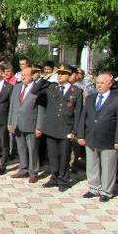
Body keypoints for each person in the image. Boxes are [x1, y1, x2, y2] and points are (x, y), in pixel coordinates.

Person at [32, 64, 83, 192]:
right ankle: (54, 177)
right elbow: (34, 90)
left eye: (63, 73)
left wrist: (75, 131)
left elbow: (79, 114)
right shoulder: (52, 87)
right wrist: (46, 76)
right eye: (58, 73)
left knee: (64, 156)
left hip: (66, 129)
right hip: (51, 128)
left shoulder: (76, 91)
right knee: (53, 156)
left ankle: (63, 180)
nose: (60, 75)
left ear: (69, 75)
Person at [77, 72, 118, 202]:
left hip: (109, 139)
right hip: (91, 137)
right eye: (97, 83)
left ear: (110, 84)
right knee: (92, 165)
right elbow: (83, 117)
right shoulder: (91, 98)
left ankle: (106, 191)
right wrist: (81, 135)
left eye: (102, 83)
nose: (99, 85)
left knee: (108, 166)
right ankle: (94, 188)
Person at [8, 67, 44, 183]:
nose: (23, 77)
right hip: (17, 124)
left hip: (31, 124)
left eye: (26, 75)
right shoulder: (17, 87)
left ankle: (33, 172)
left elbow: (41, 109)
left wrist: (39, 127)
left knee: (32, 149)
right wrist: (10, 122)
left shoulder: (37, 88)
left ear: (32, 76)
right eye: (22, 74)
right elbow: (12, 106)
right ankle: (23, 169)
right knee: (21, 148)